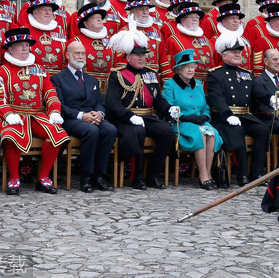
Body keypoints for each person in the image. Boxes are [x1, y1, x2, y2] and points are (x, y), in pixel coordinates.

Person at [0, 27, 69, 195]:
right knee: (11, 134)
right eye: (21, 45)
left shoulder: (40, 70)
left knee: (57, 133)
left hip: (37, 115)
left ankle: (43, 177)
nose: (25, 48)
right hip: (12, 116)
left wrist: (55, 111)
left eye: (27, 45)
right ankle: (13, 177)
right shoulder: (2, 71)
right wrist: (8, 114)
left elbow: (50, 92)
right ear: (10, 49)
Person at [105, 27, 174, 190]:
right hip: (126, 119)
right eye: (137, 55)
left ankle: (153, 175)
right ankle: (136, 177)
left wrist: (169, 109)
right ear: (128, 57)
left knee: (167, 131)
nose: (142, 58)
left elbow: (158, 100)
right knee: (138, 131)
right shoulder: (117, 75)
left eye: (144, 55)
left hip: (147, 117)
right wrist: (129, 116)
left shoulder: (151, 74)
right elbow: (113, 103)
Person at [51, 40, 117, 193]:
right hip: (71, 119)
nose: (81, 57)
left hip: (92, 117)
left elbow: (99, 103)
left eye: (83, 53)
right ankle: (86, 177)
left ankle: (99, 175)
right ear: (68, 55)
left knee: (110, 130)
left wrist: (99, 114)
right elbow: (59, 105)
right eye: (77, 53)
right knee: (91, 131)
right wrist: (82, 116)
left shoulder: (91, 79)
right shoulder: (58, 79)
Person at [206, 35, 270, 186]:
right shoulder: (216, 74)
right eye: (234, 51)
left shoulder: (247, 74)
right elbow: (217, 98)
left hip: (244, 115)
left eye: (240, 52)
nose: (238, 54)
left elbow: (256, 93)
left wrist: (270, 99)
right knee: (237, 130)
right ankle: (242, 175)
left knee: (263, 129)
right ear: (224, 55)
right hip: (224, 117)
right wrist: (227, 114)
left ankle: (257, 173)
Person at [163, 49, 223, 190]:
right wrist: (184, 116)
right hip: (180, 123)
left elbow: (205, 106)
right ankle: (203, 175)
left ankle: (208, 173)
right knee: (200, 134)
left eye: (192, 67)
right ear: (178, 69)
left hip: (200, 122)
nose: (190, 70)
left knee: (212, 133)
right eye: (187, 67)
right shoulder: (169, 85)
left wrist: (205, 116)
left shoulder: (197, 85)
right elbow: (168, 107)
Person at [161, 2, 215, 85]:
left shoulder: (206, 40)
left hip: (208, 86)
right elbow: (169, 67)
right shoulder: (173, 40)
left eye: (197, 16)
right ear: (182, 19)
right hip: (185, 85)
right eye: (191, 17)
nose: (195, 19)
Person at [68, 3, 115, 94]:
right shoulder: (75, 42)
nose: (99, 19)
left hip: (110, 91)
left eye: (100, 17)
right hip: (84, 90)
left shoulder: (112, 41)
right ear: (86, 23)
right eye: (94, 18)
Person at [114, 0, 165, 73]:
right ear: (132, 12)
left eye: (147, 9)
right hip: (132, 79)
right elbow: (121, 63)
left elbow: (163, 61)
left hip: (153, 79)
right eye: (141, 9)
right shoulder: (124, 33)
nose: (145, 12)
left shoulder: (157, 32)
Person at [251, 3, 279, 86]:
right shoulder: (262, 41)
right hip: (272, 83)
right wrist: (262, 86)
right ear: (271, 21)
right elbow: (258, 69)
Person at [24, 0, 68, 75]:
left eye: (50, 10)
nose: (48, 12)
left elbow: (68, 55)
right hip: (35, 78)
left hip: (59, 79)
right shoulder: (25, 31)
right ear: (35, 12)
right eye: (44, 9)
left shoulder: (60, 31)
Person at [210, 3, 252, 72]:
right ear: (223, 21)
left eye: (237, 18)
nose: (236, 21)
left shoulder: (244, 40)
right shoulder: (215, 41)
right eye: (232, 18)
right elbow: (213, 65)